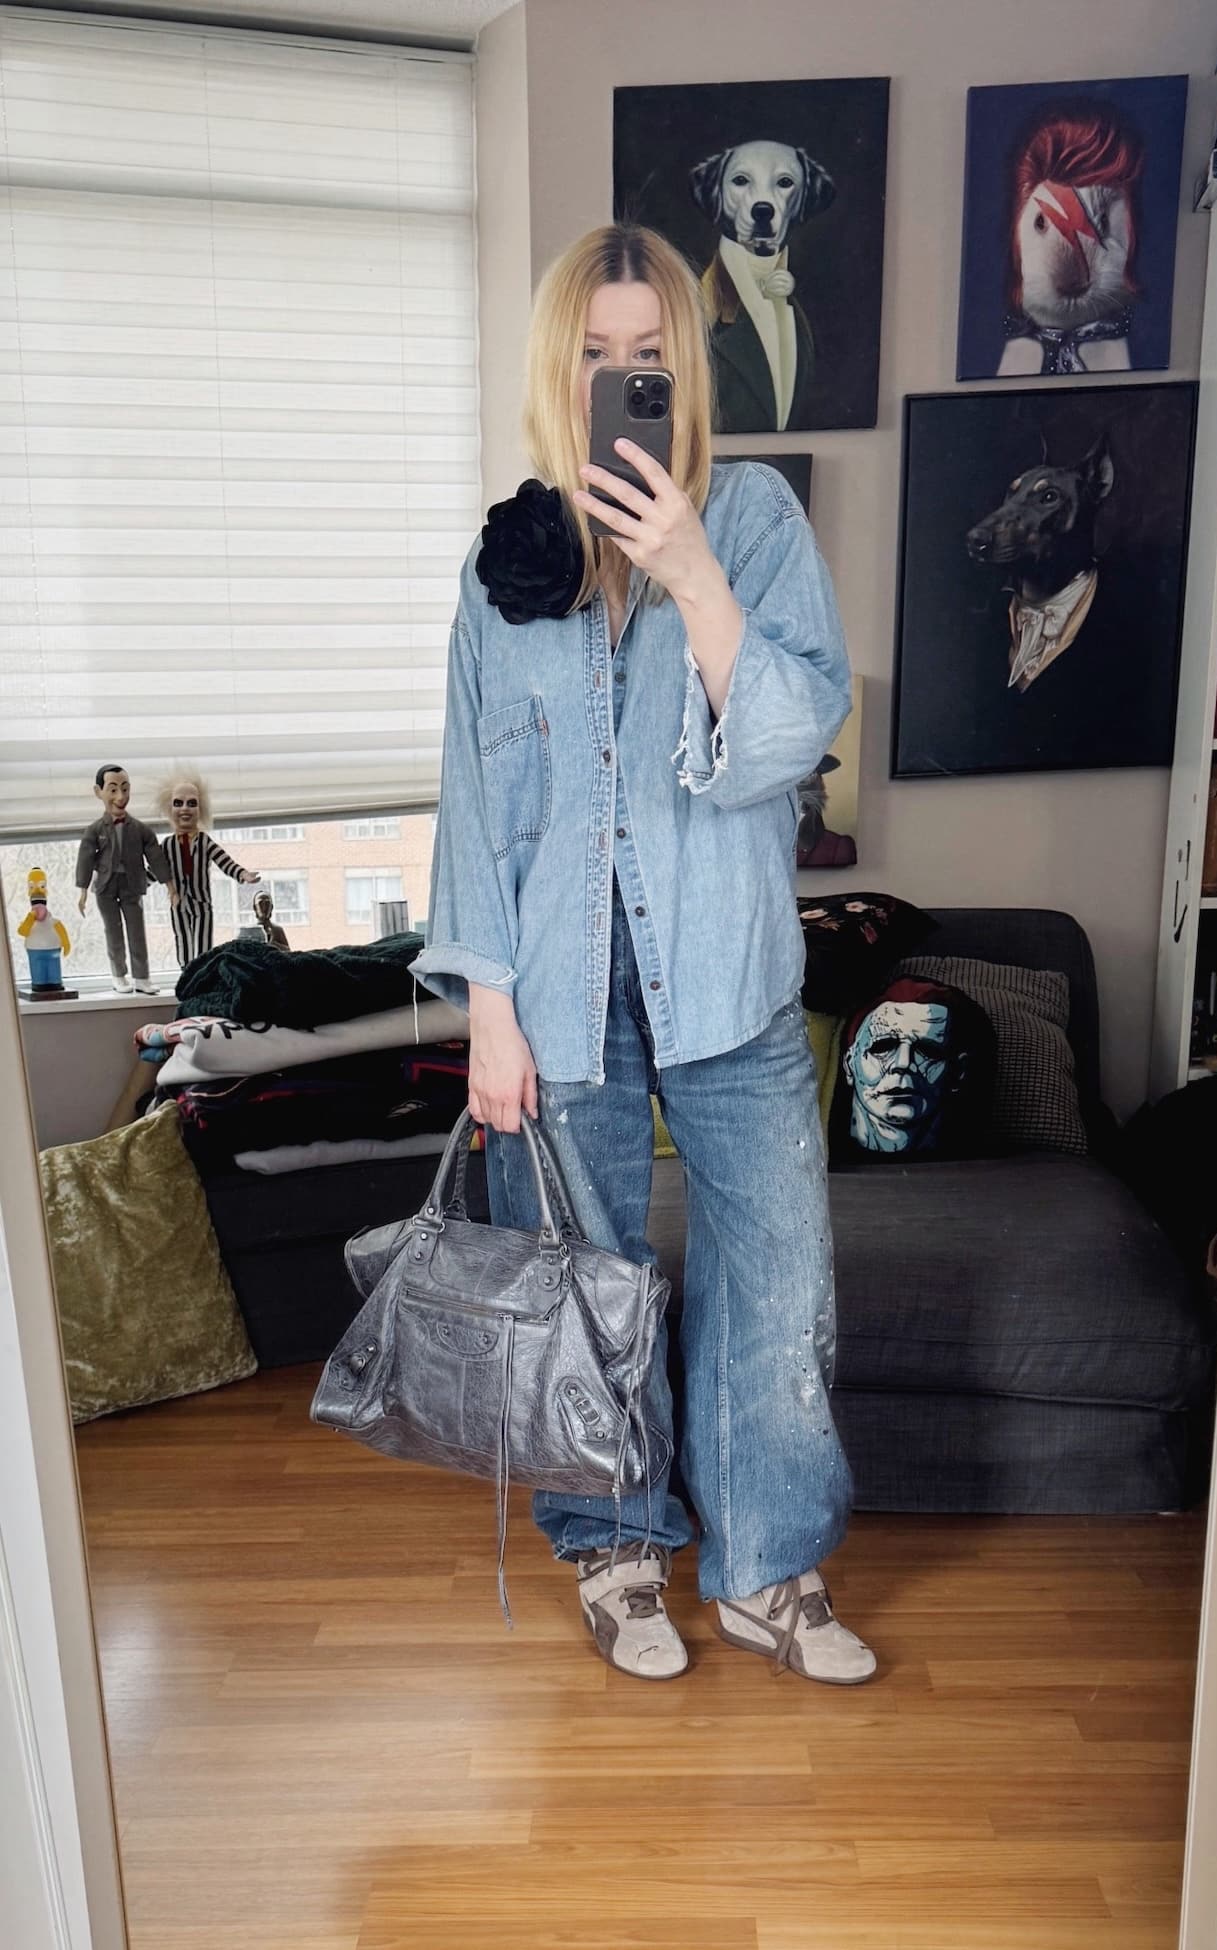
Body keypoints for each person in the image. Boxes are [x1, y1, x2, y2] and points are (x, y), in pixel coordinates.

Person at [413, 223, 874, 1687]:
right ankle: (614, 1551)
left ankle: (765, 1573)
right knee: (577, 1284)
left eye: (649, 360)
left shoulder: (749, 525)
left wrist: (690, 573)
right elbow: (479, 798)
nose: (624, 380)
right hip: (551, 996)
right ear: (562, 369)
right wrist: (487, 1007)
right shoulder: (509, 563)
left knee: (778, 1277)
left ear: (687, 369)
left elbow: (796, 741)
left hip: (727, 975)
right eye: (597, 357)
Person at [75, 763, 178, 994]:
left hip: (132, 885)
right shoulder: (95, 830)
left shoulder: (141, 830)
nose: (120, 796)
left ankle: (142, 977)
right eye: (112, 789)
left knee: (136, 931)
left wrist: (169, 885)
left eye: (125, 789)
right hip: (105, 887)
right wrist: (82, 891)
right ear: (98, 792)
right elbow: (85, 859)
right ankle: (119, 975)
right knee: (113, 931)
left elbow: (156, 857)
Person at [153, 770, 261, 968]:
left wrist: (242, 874)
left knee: (203, 945)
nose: (185, 809)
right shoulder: (167, 845)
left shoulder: (204, 842)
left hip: (202, 904)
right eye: (178, 803)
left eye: (192, 803)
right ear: (170, 808)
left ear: (200, 809)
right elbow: (154, 871)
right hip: (178, 904)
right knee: (182, 940)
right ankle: (186, 974)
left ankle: (202, 975)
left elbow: (225, 862)